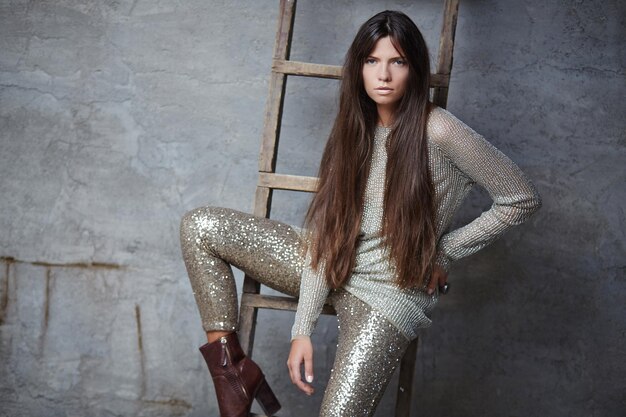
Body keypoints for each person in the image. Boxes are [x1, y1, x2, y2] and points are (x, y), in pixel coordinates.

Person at [179, 10, 541, 417]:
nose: (383, 74)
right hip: (329, 264)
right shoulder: (354, 130)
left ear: (414, 69)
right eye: (372, 61)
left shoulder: (438, 130)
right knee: (200, 226)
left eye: (397, 61)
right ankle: (233, 375)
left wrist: (444, 252)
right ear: (359, 68)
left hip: (387, 293)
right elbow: (330, 239)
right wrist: (303, 330)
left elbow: (521, 197)